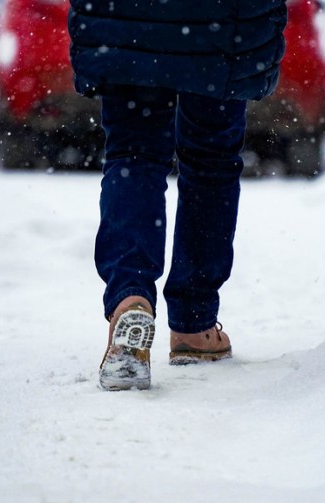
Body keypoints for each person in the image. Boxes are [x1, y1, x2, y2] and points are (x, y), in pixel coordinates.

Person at [68, 1, 288, 390]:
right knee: (211, 160)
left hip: (127, 17)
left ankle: (130, 299)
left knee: (133, 155)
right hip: (221, 23)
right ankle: (194, 323)